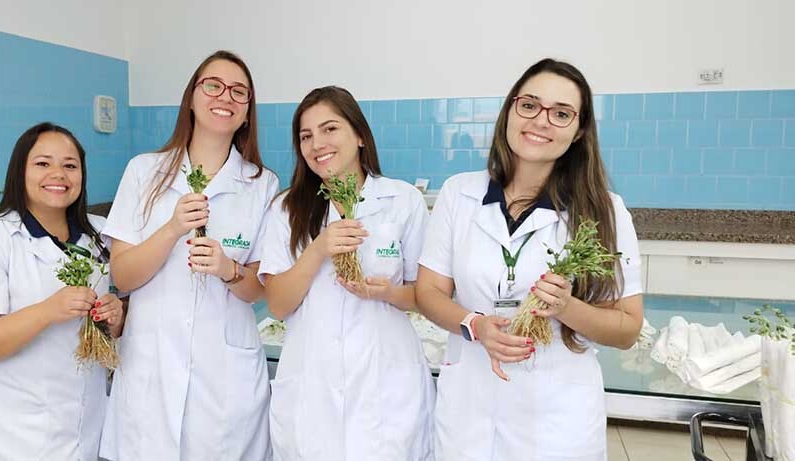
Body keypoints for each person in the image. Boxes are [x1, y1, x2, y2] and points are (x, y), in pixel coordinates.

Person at [415, 58, 645, 460]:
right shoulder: (459, 193)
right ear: (510, 110)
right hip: (469, 411)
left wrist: (566, 306)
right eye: (529, 105)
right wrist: (475, 325)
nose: (541, 121)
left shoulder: (604, 210)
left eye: (560, 114)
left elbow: (626, 329)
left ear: (579, 131)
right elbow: (428, 292)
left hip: (556, 422)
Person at [99, 50, 277, 460]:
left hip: (225, 379)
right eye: (212, 85)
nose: (225, 97)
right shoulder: (144, 171)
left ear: (247, 113)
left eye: (239, 92)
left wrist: (227, 268)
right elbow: (123, 277)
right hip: (151, 368)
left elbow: (257, 291)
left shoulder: (262, 184)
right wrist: (172, 229)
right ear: (192, 99)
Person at [259, 86, 434, 460]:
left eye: (329, 129)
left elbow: (426, 295)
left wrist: (386, 292)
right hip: (312, 387)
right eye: (306, 136)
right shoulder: (286, 209)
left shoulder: (402, 200)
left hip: (385, 385)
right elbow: (276, 303)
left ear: (358, 135)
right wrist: (319, 249)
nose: (316, 143)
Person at [0, 122, 124, 460]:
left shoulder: (102, 236)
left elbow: (122, 317)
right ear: (19, 171)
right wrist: (46, 312)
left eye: (70, 165)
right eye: (43, 163)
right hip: (14, 441)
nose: (58, 174)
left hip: (88, 432)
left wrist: (116, 316)